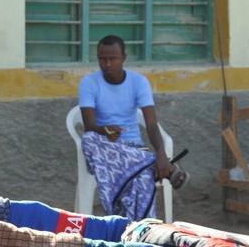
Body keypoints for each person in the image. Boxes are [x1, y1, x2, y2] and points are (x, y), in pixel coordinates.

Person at [78, 35, 186, 220]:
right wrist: (104, 131)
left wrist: (161, 153)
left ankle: (141, 236)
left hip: (133, 149)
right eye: (102, 59)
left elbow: (151, 124)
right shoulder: (89, 83)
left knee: (144, 179)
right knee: (88, 139)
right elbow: (89, 126)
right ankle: (152, 163)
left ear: (124, 58)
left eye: (113, 59)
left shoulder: (138, 82)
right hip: (104, 152)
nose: (107, 64)